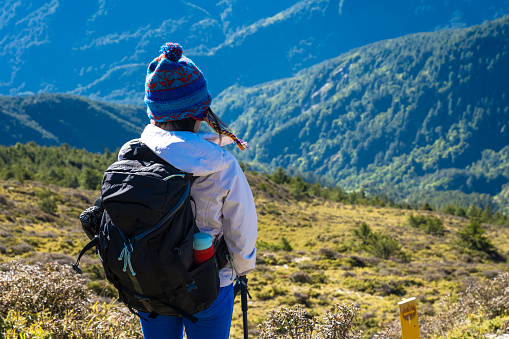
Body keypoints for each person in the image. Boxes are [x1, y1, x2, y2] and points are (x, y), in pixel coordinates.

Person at [118, 42, 258, 338]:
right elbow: (241, 230)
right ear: (200, 111)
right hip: (206, 282)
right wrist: (241, 270)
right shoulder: (220, 166)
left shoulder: (132, 154)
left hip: (149, 282)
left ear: (154, 110)